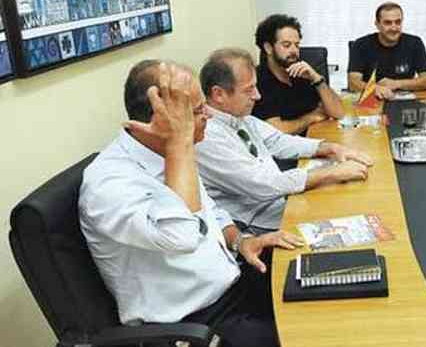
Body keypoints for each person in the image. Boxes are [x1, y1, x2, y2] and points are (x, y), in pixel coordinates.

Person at [79, 60, 304, 347]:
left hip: (233, 286)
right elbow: (183, 236)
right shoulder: (108, 183)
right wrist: (179, 144)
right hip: (193, 324)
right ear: (158, 119)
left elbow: (211, 212)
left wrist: (240, 241)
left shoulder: (169, 153)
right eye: (198, 111)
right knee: (312, 336)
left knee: (327, 293)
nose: (209, 114)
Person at [196, 48, 373, 234]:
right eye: (249, 90)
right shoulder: (207, 135)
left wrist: (331, 148)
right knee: (347, 214)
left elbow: (279, 141)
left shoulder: (241, 118)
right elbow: (265, 185)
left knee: (351, 198)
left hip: (278, 203)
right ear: (218, 94)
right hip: (256, 224)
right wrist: (331, 173)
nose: (257, 96)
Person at [252, 14, 344, 135]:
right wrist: (310, 118)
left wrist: (317, 79)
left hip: (316, 139)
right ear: (268, 48)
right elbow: (276, 131)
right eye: (286, 45)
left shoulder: (300, 72)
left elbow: (338, 112)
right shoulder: (258, 80)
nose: (294, 51)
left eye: (297, 45)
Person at [348, 1, 426, 100]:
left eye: (398, 22)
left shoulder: (415, 43)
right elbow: (353, 83)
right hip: (371, 101)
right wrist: (375, 88)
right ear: (377, 24)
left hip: (404, 103)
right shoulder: (361, 45)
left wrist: (396, 84)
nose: (394, 27)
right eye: (387, 23)